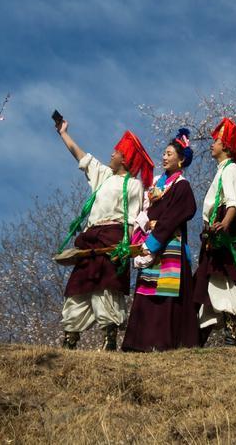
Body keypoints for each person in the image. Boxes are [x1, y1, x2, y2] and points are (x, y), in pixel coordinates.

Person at [53, 118, 148, 350]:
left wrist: (127, 247)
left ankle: (109, 339)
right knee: (78, 286)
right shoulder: (104, 176)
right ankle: (70, 339)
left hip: (114, 239)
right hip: (91, 239)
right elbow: (81, 156)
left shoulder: (134, 185)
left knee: (108, 288)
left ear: (124, 159)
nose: (111, 154)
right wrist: (63, 133)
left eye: (116, 152)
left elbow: (133, 219)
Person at [122, 129, 200, 352]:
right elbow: (148, 215)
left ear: (181, 159)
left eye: (169, 154)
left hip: (168, 246)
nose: (164, 157)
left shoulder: (181, 186)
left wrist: (153, 241)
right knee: (147, 289)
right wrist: (143, 232)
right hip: (151, 243)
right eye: (164, 153)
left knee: (166, 294)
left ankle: (163, 341)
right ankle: (140, 342)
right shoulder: (157, 187)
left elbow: (177, 215)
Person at [194, 117, 236, 347]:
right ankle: (199, 337)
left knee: (221, 281)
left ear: (227, 147)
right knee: (206, 284)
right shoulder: (222, 171)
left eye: (217, 141)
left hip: (224, 236)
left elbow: (232, 203)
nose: (212, 144)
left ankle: (232, 332)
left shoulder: (231, 170)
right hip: (214, 235)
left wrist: (224, 225)